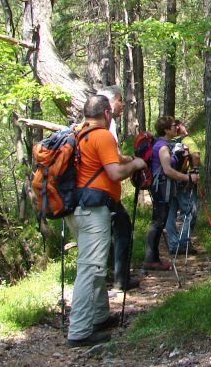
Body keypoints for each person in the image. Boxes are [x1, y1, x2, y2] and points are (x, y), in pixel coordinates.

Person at [66, 95, 147, 348]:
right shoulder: (102, 135)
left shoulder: (77, 134)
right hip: (93, 209)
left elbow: (99, 166)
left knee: (95, 264)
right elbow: (114, 172)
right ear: (106, 113)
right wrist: (135, 165)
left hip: (75, 209)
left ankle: (100, 317)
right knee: (90, 269)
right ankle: (79, 331)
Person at [143, 116, 199, 271]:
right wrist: (188, 177)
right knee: (158, 221)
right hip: (161, 187)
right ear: (166, 129)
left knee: (160, 220)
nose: (177, 127)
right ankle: (150, 259)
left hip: (162, 187)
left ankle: (152, 258)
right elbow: (167, 170)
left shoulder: (165, 144)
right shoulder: (162, 147)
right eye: (174, 125)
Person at [96, 84, 134, 290]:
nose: (123, 105)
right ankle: (120, 277)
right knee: (122, 226)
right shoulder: (106, 126)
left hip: (96, 192)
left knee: (115, 228)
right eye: (121, 100)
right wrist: (131, 162)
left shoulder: (100, 125)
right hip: (103, 191)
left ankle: (115, 274)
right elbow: (114, 160)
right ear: (110, 103)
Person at [165, 120, 201, 255]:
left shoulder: (167, 142)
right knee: (189, 211)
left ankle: (173, 244)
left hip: (169, 181)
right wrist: (195, 169)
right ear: (180, 127)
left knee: (171, 212)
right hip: (185, 180)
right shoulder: (187, 140)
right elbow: (196, 155)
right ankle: (184, 243)